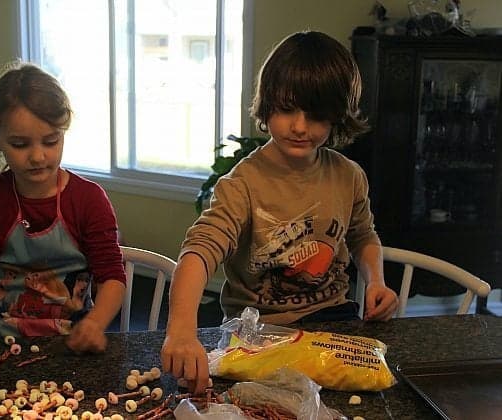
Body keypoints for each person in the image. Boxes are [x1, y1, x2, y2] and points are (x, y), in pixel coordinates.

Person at [161, 31, 399, 394]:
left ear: (337, 116)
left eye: (317, 116)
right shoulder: (242, 184)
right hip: (257, 333)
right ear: (267, 104)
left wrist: (377, 280)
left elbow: (363, 235)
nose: (300, 126)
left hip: (333, 322)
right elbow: (200, 251)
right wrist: (180, 330)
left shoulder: (348, 176)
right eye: (287, 109)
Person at [0, 62, 126, 355]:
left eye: (51, 141)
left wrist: (95, 322)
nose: (37, 155)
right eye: (20, 144)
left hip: (72, 343)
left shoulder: (88, 199)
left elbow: (112, 278)